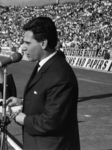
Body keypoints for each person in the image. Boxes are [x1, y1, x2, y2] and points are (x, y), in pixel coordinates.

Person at [6, 17, 80, 150]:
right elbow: (46, 97)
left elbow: (51, 121)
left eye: (27, 43)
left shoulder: (60, 75)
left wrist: (23, 119)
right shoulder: (46, 65)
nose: (22, 48)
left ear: (43, 43)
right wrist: (22, 102)